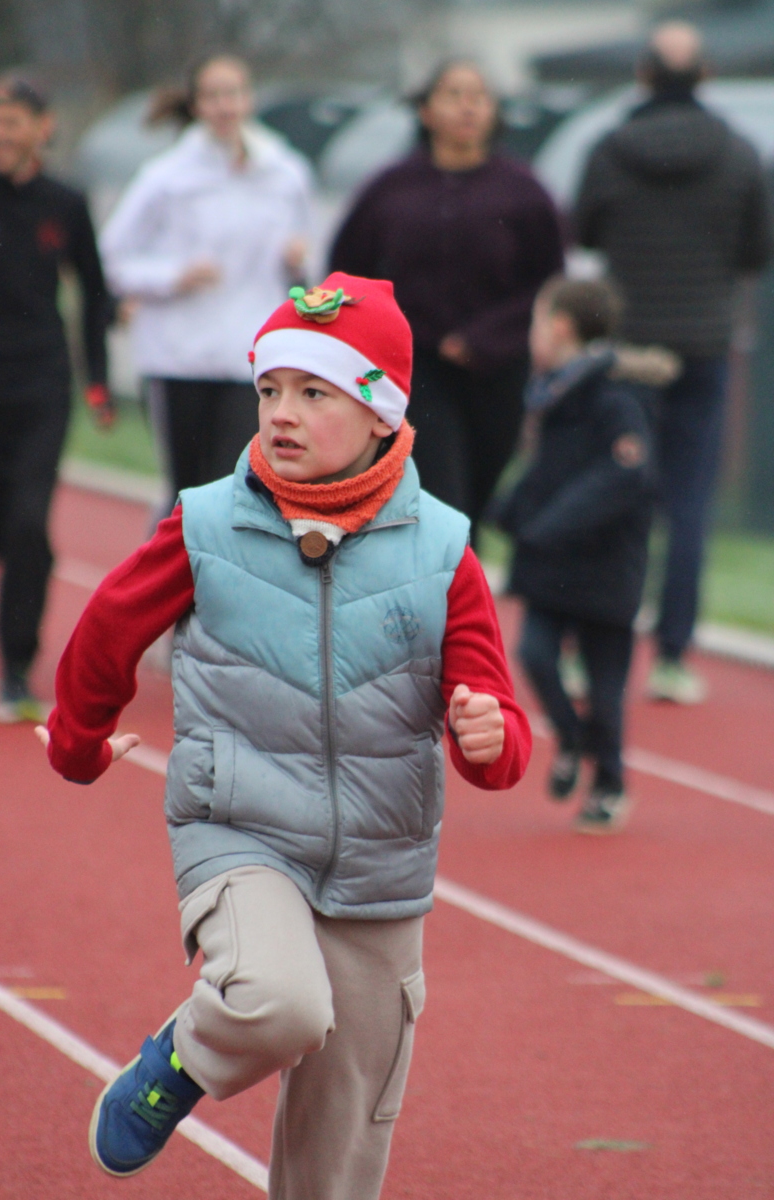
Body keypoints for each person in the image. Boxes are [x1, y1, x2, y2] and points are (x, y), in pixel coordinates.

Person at [37, 273, 532, 1194]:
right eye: (269, 390)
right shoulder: (207, 523)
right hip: (242, 828)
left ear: (381, 414)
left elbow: (495, 714)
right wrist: (77, 742)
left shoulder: (443, 549)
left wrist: (490, 735)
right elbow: (107, 627)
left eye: (314, 393)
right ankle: (180, 1061)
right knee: (279, 1003)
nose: (282, 414)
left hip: (381, 859)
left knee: (345, 1134)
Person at [574, 21, 773, 704]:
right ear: (707, 76)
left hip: (627, 347)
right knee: (688, 505)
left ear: (644, 76)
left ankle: (588, 651)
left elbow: (585, 233)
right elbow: (757, 250)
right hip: (703, 345)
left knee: (610, 494)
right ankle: (672, 658)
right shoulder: (741, 154)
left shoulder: (608, 149)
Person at [329, 60, 563, 540]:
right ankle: (448, 582)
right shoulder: (389, 189)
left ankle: (458, 577)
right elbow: (346, 274)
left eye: (478, 96)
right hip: (413, 370)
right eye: (453, 95)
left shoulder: (523, 192)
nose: (467, 107)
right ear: (425, 110)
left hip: (497, 370)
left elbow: (548, 285)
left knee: (475, 498)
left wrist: (485, 337)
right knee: (441, 495)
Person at [495, 277, 676, 832]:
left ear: (561, 327)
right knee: (534, 654)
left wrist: (550, 523)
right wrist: (509, 509)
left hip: (605, 564)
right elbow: (548, 468)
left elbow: (625, 474)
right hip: (553, 563)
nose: (530, 335)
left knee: (605, 685)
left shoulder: (616, 396)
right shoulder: (552, 392)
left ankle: (610, 783)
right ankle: (572, 740)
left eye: (536, 322)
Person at [100, 53, 312, 506]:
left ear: (249, 99)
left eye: (233, 93)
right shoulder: (166, 177)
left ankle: (218, 554)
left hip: (251, 357)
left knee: (237, 483)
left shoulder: (285, 172)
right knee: (189, 488)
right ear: (195, 105)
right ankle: (174, 550)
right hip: (179, 356)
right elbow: (112, 258)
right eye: (213, 96)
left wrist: (296, 261)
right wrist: (174, 276)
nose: (224, 106)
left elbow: (310, 260)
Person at [0, 75, 111, 723]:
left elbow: (94, 292)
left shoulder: (66, 202)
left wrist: (99, 381)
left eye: (10, 123)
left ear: (41, 128)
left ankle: (16, 668)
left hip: (40, 386)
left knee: (28, 525)